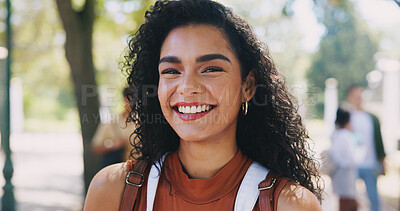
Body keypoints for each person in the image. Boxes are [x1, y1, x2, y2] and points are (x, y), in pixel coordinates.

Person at [84, 0, 323, 210]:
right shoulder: (114, 191)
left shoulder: (288, 204)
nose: (187, 87)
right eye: (171, 71)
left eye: (211, 69)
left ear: (248, 86)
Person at [344, 85, 386, 211]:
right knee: (350, 200)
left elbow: (379, 141)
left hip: (370, 164)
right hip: (352, 165)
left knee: (374, 199)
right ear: (349, 97)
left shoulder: (373, 118)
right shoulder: (346, 117)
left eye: (361, 95)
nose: (359, 98)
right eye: (355, 96)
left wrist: (382, 161)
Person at [91, 87, 136, 168]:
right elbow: (95, 147)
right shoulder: (112, 122)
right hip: (119, 172)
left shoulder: (144, 123)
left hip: (142, 171)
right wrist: (113, 146)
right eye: (130, 98)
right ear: (125, 99)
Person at [330, 108, 359, 211]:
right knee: (350, 203)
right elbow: (353, 159)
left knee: (343, 201)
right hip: (346, 173)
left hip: (338, 173)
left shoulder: (336, 134)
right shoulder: (346, 136)